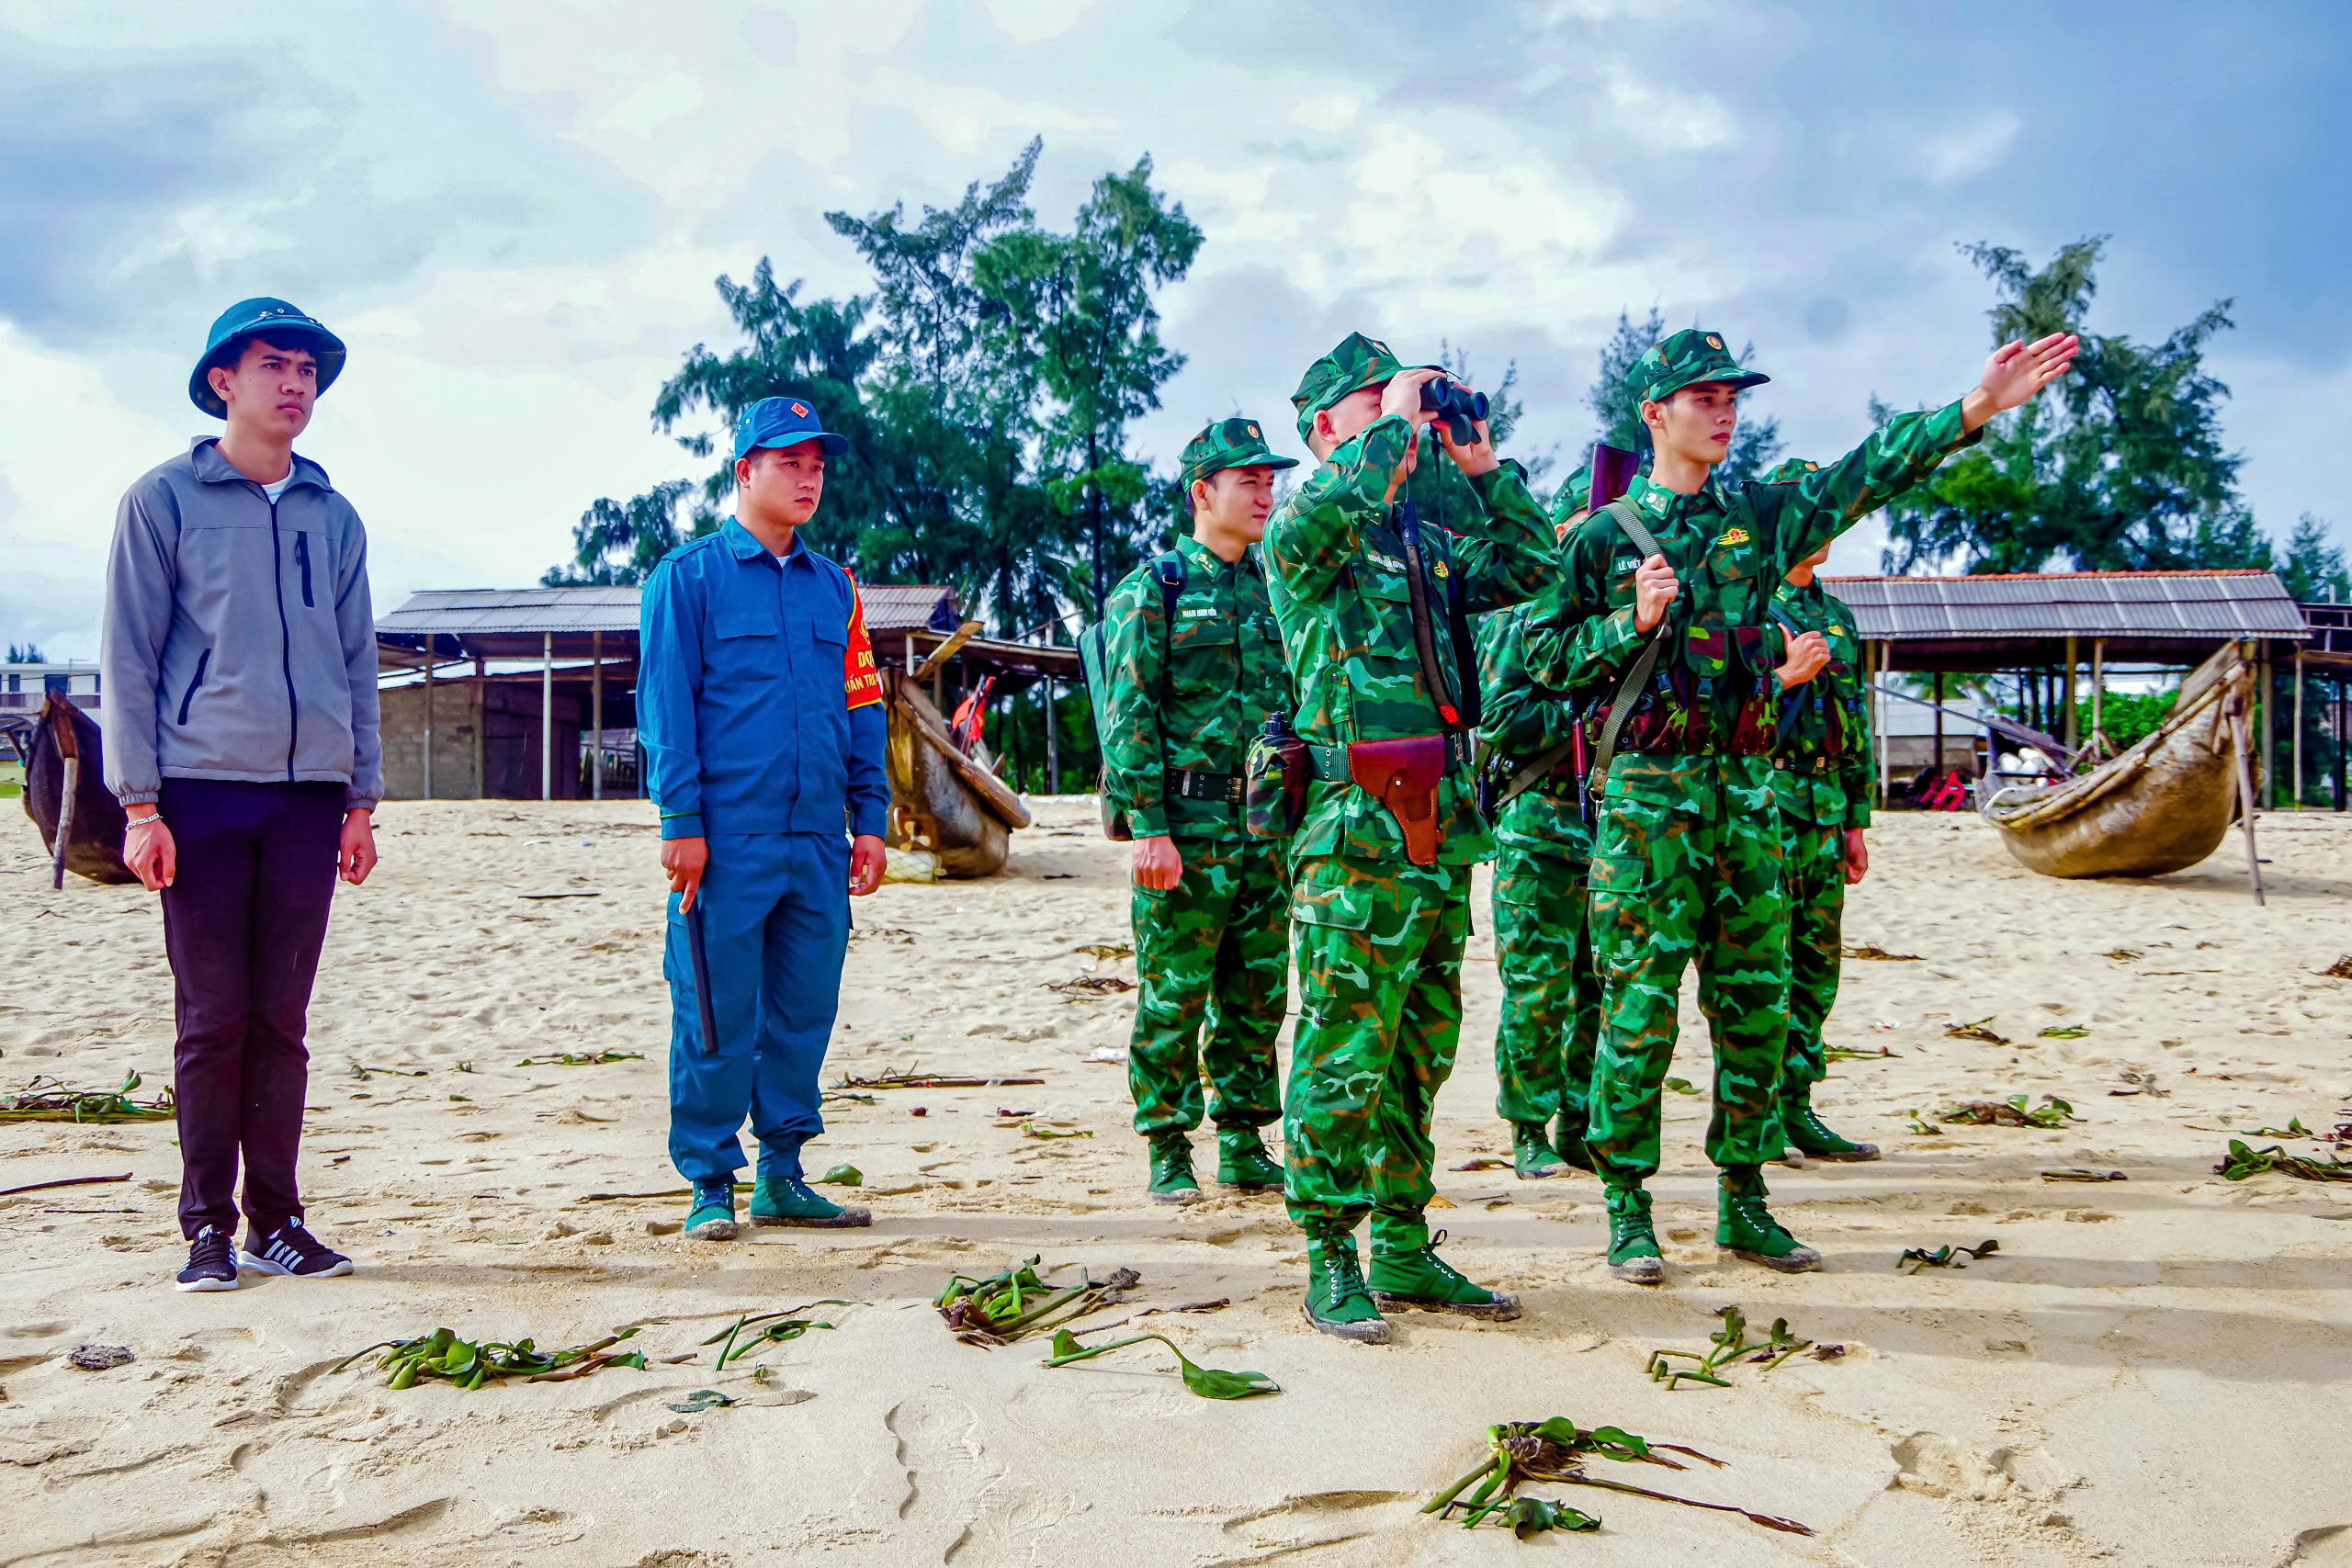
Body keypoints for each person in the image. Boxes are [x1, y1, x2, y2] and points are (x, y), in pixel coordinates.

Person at [1526, 324, 2077, 1285]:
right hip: (1646, 802)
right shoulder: (1604, 541)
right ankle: (1627, 1208)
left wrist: (1976, 407)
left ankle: (1743, 1200)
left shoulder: (1764, 518)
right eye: (1705, 398)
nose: (1725, 413)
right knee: (1639, 1010)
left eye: (1733, 398)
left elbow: (1868, 472)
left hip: (1747, 794)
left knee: (1753, 1004)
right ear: (1654, 414)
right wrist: (1632, 620)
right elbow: (1535, 664)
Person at [1263, 333, 1556, 1342]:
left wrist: (1479, 464)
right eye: (1365, 403)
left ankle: (1399, 1240)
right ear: (1322, 430)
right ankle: (1328, 1253)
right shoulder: (1310, 524)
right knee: (1346, 1041)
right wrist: (1393, 419)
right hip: (1353, 830)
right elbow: (1322, 517)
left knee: (1420, 1046)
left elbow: (1530, 563)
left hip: (1439, 828)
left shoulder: (1426, 537)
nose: (1397, 418)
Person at [102, 297, 381, 1292]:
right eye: (274, 365)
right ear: (224, 380)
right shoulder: (164, 501)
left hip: (309, 800)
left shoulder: (333, 515)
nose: (296, 384)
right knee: (211, 1016)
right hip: (200, 795)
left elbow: (357, 663)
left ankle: (280, 1219)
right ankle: (204, 1228)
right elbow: (127, 663)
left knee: (282, 1022)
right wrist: (140, 806)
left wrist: (361, 798)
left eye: (307, 369)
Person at [639, 395, 890, 1241]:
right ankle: (710, 1179)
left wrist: (871, 817)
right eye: (790, 462)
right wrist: (681, 818)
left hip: (818, 840)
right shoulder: (688, 578)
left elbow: (862, 705)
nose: (808, 478)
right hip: (723, 841)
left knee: (802, 1008)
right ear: (744, 470)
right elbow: (666, 707)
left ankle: (782, 1172)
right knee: (713, 1011)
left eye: (817, 465)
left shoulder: (837, 588)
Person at [1100, 418, 1298, 1203]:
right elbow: (1128, 715)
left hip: (1265, 828)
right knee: (1174, 990)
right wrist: (1147, 826)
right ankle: (1169, 1141)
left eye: (1269, 479)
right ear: (1202, 493)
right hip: (1185, 827)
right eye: (1247, 480)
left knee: (1258, 990)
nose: (1265, 493)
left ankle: (1246, 1137)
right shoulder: (1155, 587)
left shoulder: (1273, 588)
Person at [1478, 465, 1603, 1180]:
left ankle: (1579, 1121)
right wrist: (1581, 710)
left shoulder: (1614, 620)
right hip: (1536, 821)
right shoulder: (1520, 615)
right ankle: (1528, 1126)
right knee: (1537, 983)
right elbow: (1500, 719)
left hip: (1606, 823)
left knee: (1599, 981)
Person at [1760, 459, 1878, 1162]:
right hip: (1765, 806)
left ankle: (1797, 1102)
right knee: (1760, 966)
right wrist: (1784, 678)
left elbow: (1854, 719)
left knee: (1814, 962)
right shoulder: (1748, 609)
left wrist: (1856, 817)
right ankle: (1757, 1117)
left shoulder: (1836, 615)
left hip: (1825, 807)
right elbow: (1715, 714)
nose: (1823, 526)